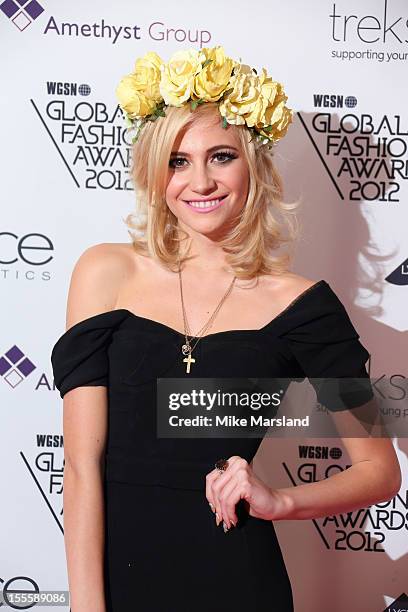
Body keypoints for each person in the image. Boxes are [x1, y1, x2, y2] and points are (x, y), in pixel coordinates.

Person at [51, 46, 401, 612]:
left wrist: (278, 501)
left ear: (253, 166)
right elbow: (80, 464)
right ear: (154, 172)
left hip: (237, 580)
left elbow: (379, 471)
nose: (201, 181)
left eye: (220, 156)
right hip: (117, 581)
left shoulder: (304, 306)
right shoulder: (105, 271)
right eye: (178, 161)